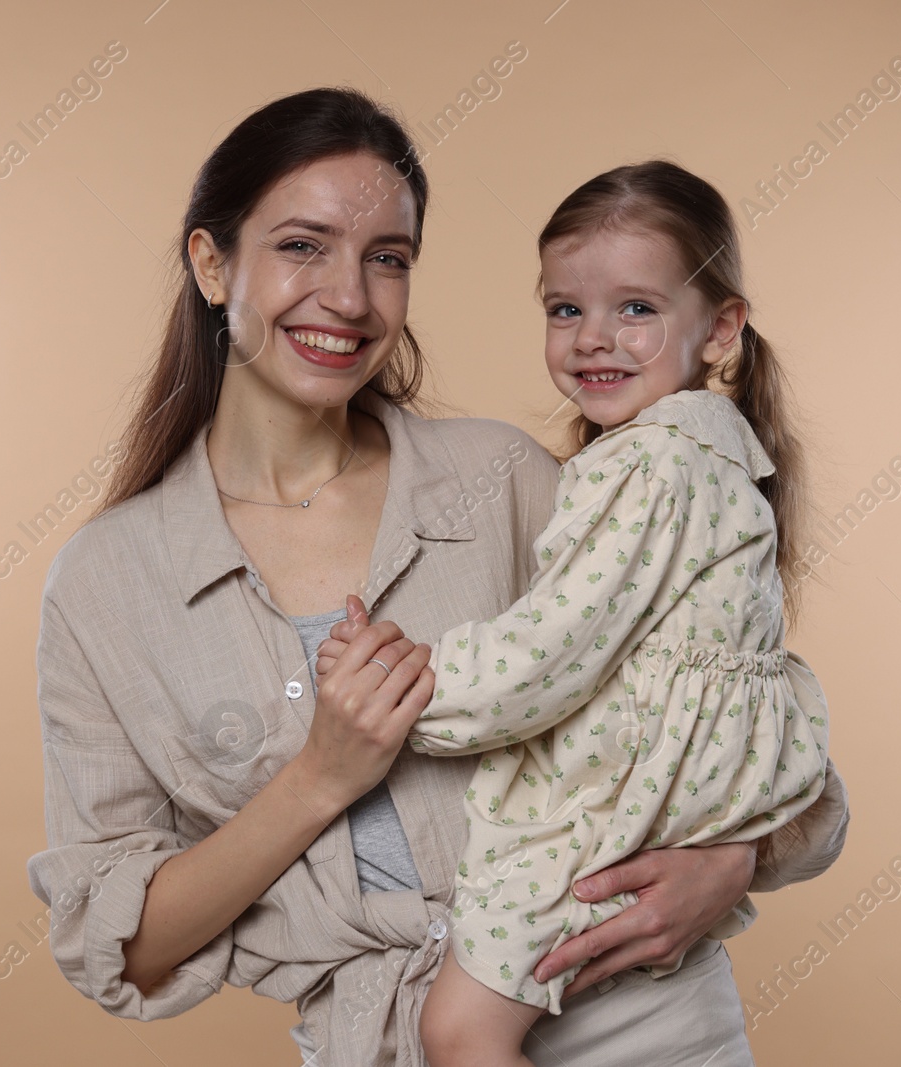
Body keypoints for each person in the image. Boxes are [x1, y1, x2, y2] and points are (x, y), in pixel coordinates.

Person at [25, 87, 851, 1067]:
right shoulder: (105, 584)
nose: (348, 296)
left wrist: (731, 861)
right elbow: (119, 945)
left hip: (636, 1014)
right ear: (212, 263)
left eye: (388, 258)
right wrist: (320, 775)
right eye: (302, 245)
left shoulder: (507, 481)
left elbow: (749, 731)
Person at [317, 161, 829, 1067]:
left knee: (459, 1030)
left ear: (720, 328)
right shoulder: (716, 462)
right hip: (674, 808)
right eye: (565, 310)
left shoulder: (648, 469)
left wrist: (402, 688)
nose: (595, 338)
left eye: (636, 308)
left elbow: (546, 657)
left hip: (607, 817)